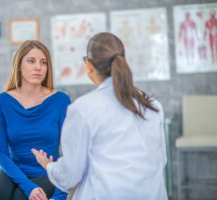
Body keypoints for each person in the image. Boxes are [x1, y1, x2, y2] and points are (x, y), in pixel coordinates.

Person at [32, 32, 168, 200]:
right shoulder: (152, 105)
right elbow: (161, 160)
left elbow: (69, 177)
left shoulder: (83, 109)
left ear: (88, 65)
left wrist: (49, 166)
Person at [0, 40, 70, 200]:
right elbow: (1, 153)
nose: (38, 67)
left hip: (47, 173)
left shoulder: (60, 101)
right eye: (31, 61)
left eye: (43, 62)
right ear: (19, 65)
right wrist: (28, 186)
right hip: (13, 172)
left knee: (20, 197)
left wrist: (59, 196)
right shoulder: (1, 102)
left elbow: (69, 154)